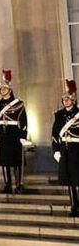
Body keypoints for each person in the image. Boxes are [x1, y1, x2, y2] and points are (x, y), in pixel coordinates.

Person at [0, 70, 28, 194]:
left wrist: (23, 135)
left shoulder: (19, 104)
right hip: (2, 135)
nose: (2, 91)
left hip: (15, 134)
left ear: (10, 90)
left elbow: (23, 120)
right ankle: (7, 184)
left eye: (5, 89)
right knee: (4, 161)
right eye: (1, 89)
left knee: (17, 161)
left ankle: (19, 184)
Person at [52, 79, 79, 217]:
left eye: (67, 99)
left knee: (78, 179)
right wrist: (56, 150)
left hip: (77, 150)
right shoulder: (59, 115)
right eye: (64, 100)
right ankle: (74, 206)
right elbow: (55, 134)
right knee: (70, 181)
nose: (65, 102)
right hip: (65, 150)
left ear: (72, 100)